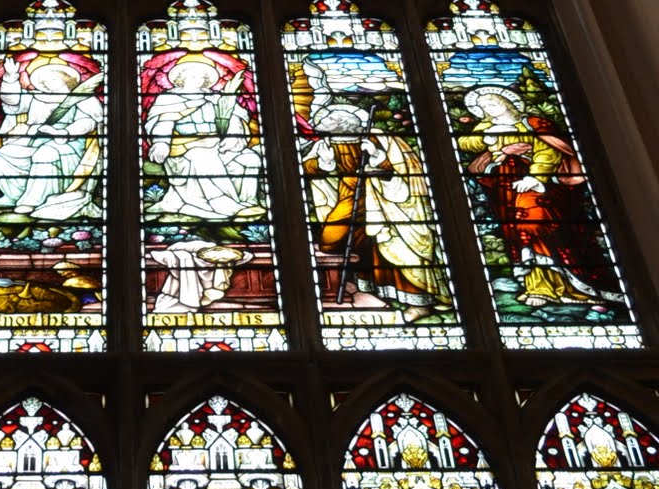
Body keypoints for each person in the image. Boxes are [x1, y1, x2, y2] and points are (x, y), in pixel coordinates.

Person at [455, 84, 614, 308]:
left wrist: (536, 176)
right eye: (482, 107)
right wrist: (491, 140)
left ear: (506, 102)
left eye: (491, 103)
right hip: (506, 185)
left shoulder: (533, 124)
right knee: (517, 230)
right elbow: (466, 143)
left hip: (539, 184)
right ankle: (537, 286)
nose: (487, 109)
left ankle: (569, 284)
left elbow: (549, 150)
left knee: (537, 223)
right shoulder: (488, 125)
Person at [299, 102, 448, 317]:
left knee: (394, 247)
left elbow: (401, 168)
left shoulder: (376, 138)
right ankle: (364, 286)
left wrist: (377, 156)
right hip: (349, 197)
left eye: (328, 120)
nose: (321, 123)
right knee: (334, 240)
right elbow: (307, 166)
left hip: (384, 201)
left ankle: (418, 303)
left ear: (342, 123)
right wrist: (325, 162)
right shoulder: (326, 144)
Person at [142, 51, 264, 223]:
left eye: (201, 76)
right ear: (181, 77)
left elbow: (236, 117)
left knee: (250, 158)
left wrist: (233, 137)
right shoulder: (168, 98)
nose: (196, 78)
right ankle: (224, 205)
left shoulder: (216, 97)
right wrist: (161, 143)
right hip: (184, 149)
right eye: (191, 75)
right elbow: (163, 122)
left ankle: (247, 202)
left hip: (217, 144)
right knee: (203, 157)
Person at [0, 53, 104, 220]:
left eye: (53, 79)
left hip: (68, 142)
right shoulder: (36, 97)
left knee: (46, 153)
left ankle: (34, 201)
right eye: (44, 80)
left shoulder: (80, 98)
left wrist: (64, 132)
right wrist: (11, 78)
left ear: (66, 80)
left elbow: (89, 121)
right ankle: (13, 196)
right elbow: (12, 102)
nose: (47, 83)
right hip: (33, 140)